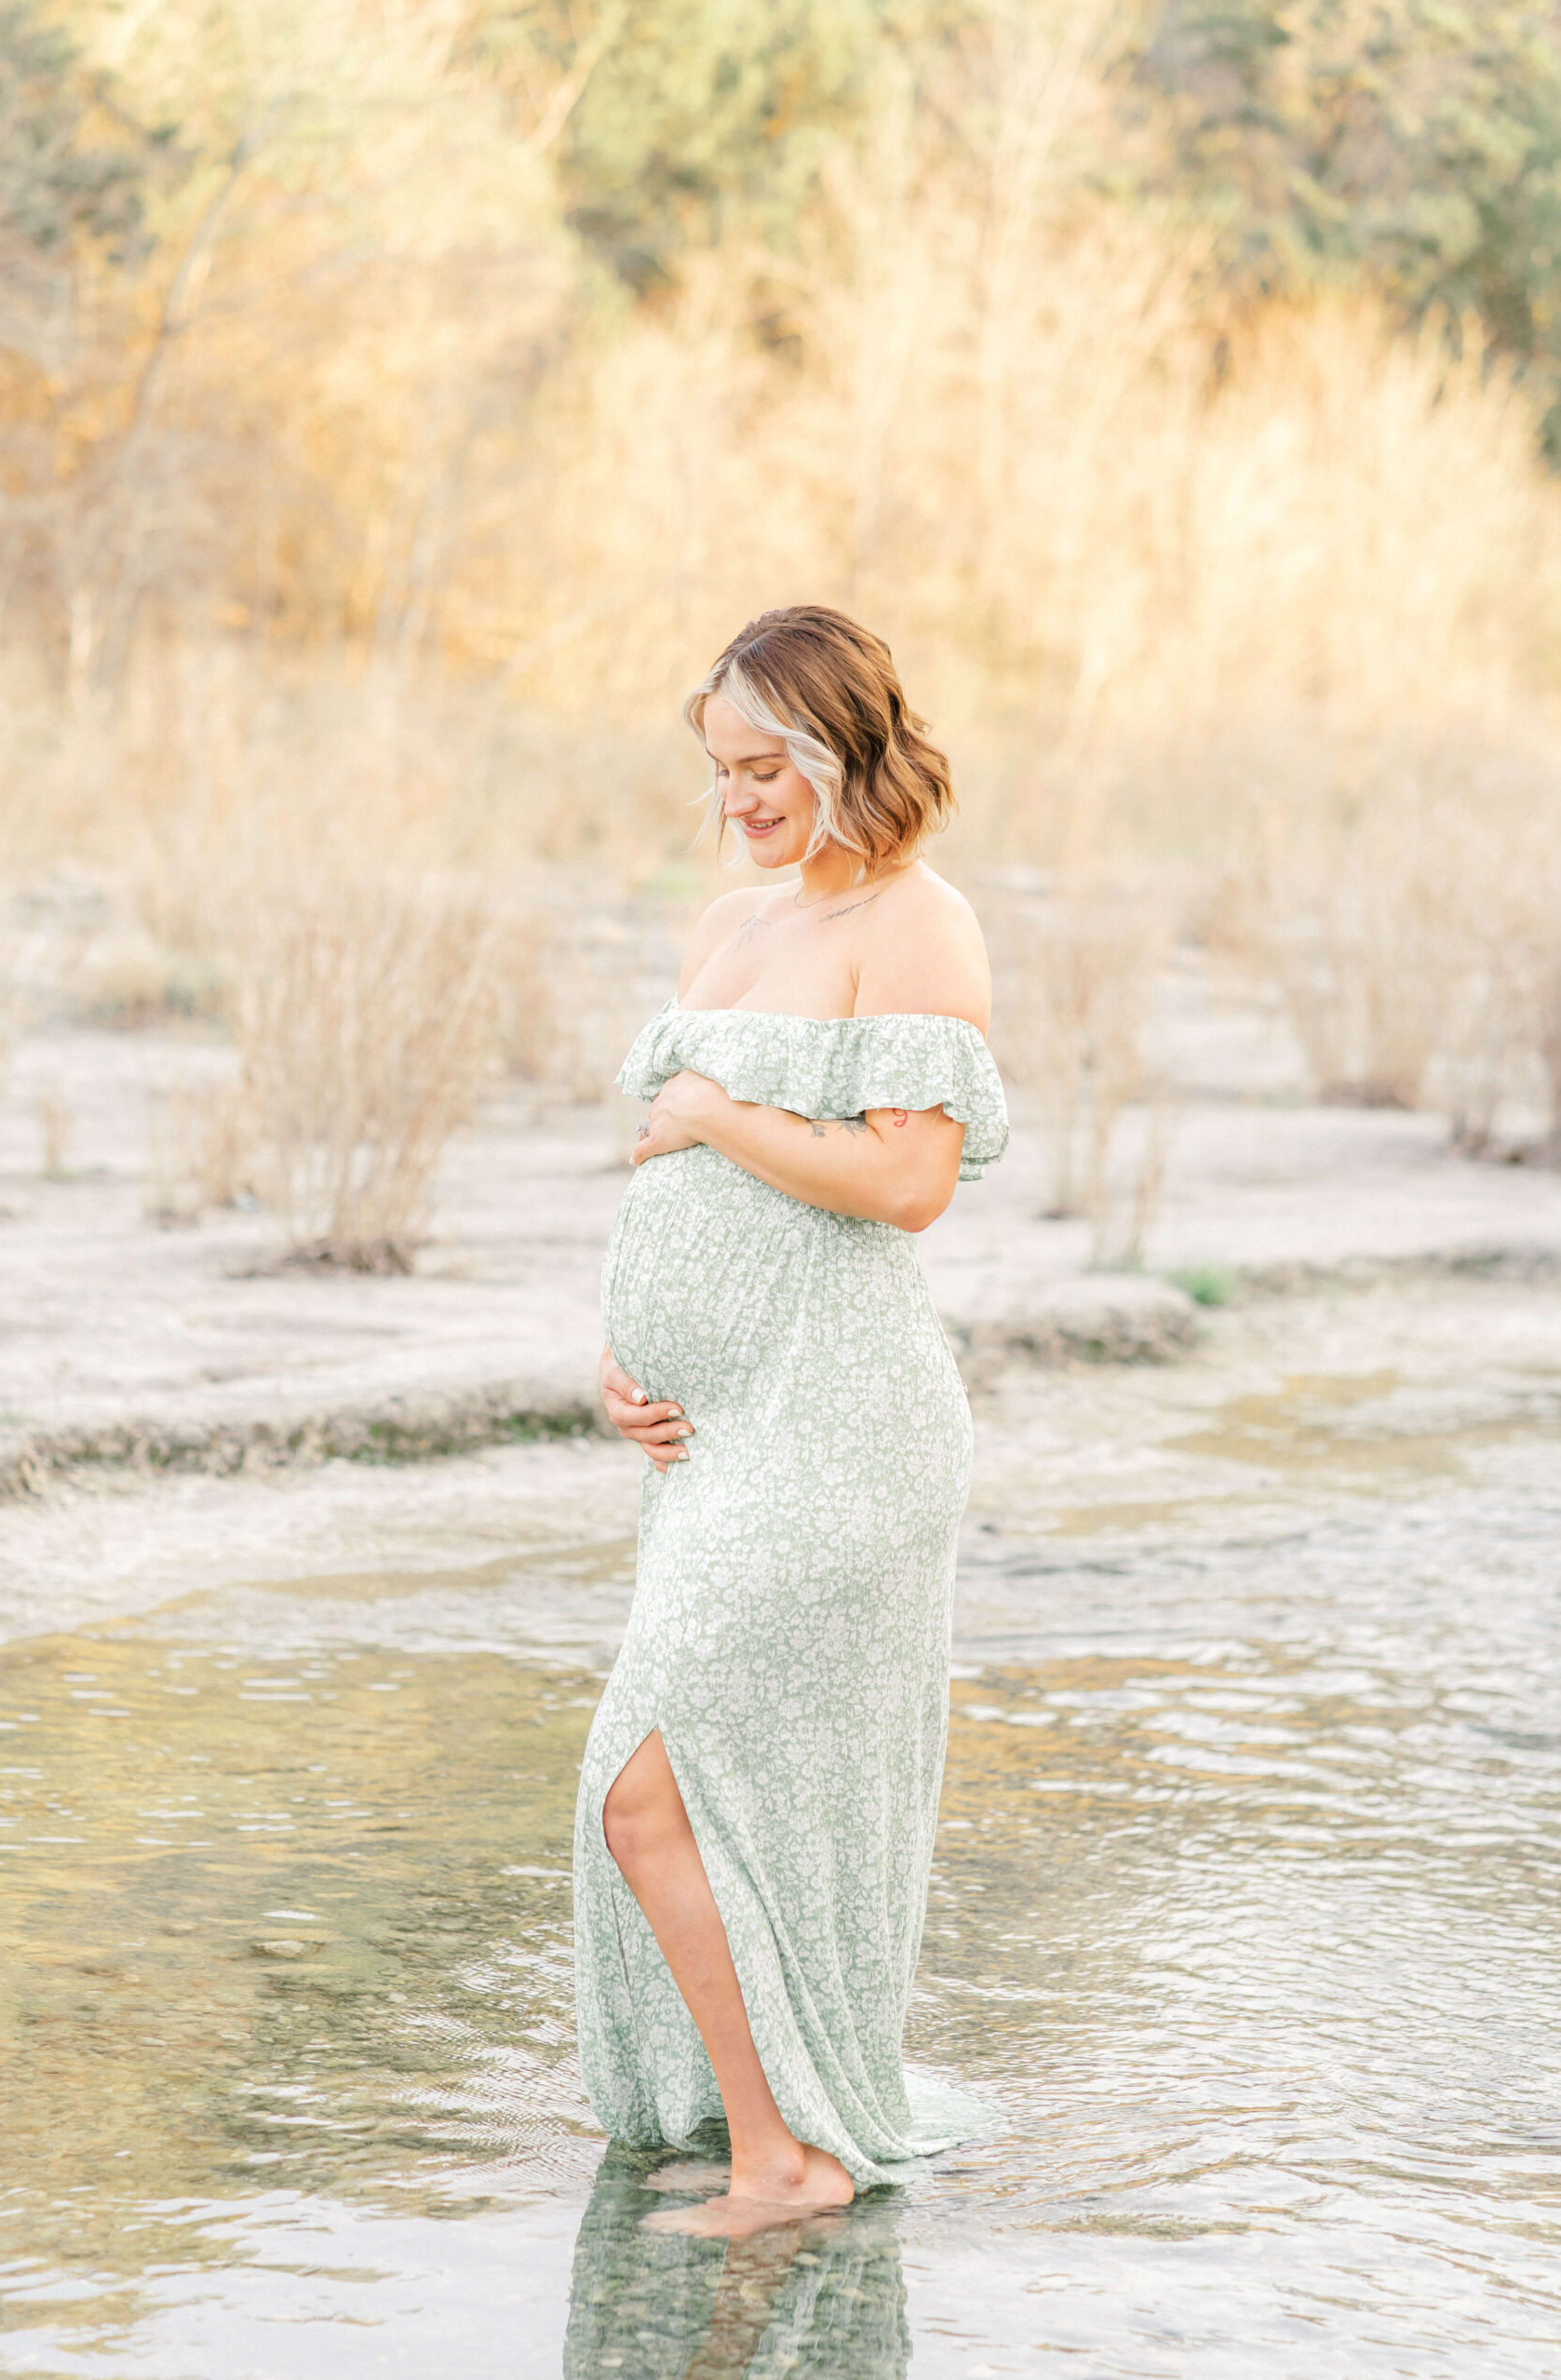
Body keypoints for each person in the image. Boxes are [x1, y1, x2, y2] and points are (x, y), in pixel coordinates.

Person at [572, 604, 1008, 2239]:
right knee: (693, 1785)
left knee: (650, 1785)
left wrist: (713, 1108)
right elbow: (674, 1176)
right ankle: (772, 2118)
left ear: (845, 750)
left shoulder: (919, 923)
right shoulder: (729, 923)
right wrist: (625, 1358)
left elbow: (908, 1181)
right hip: (716, 1434)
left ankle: (789, 2160)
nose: (740, 796)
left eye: (769, 765)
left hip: (841, 1424)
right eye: (721, 767)